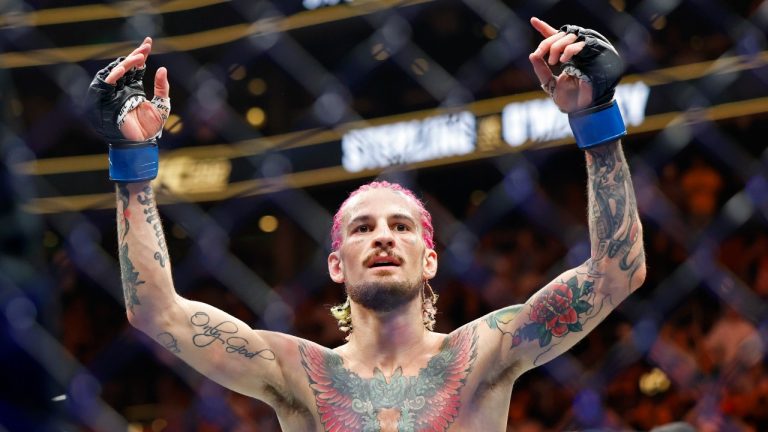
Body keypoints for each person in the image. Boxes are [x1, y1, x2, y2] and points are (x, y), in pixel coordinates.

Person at [87, 17, 646, 431]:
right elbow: (156, 311)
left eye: (402, 227)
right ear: (336, 264)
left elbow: (615, 275)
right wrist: (132, 164)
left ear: (430, 258)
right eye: (361, 229)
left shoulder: (483, 355)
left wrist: (596, 121)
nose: (382, 235)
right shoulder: (298, 372)